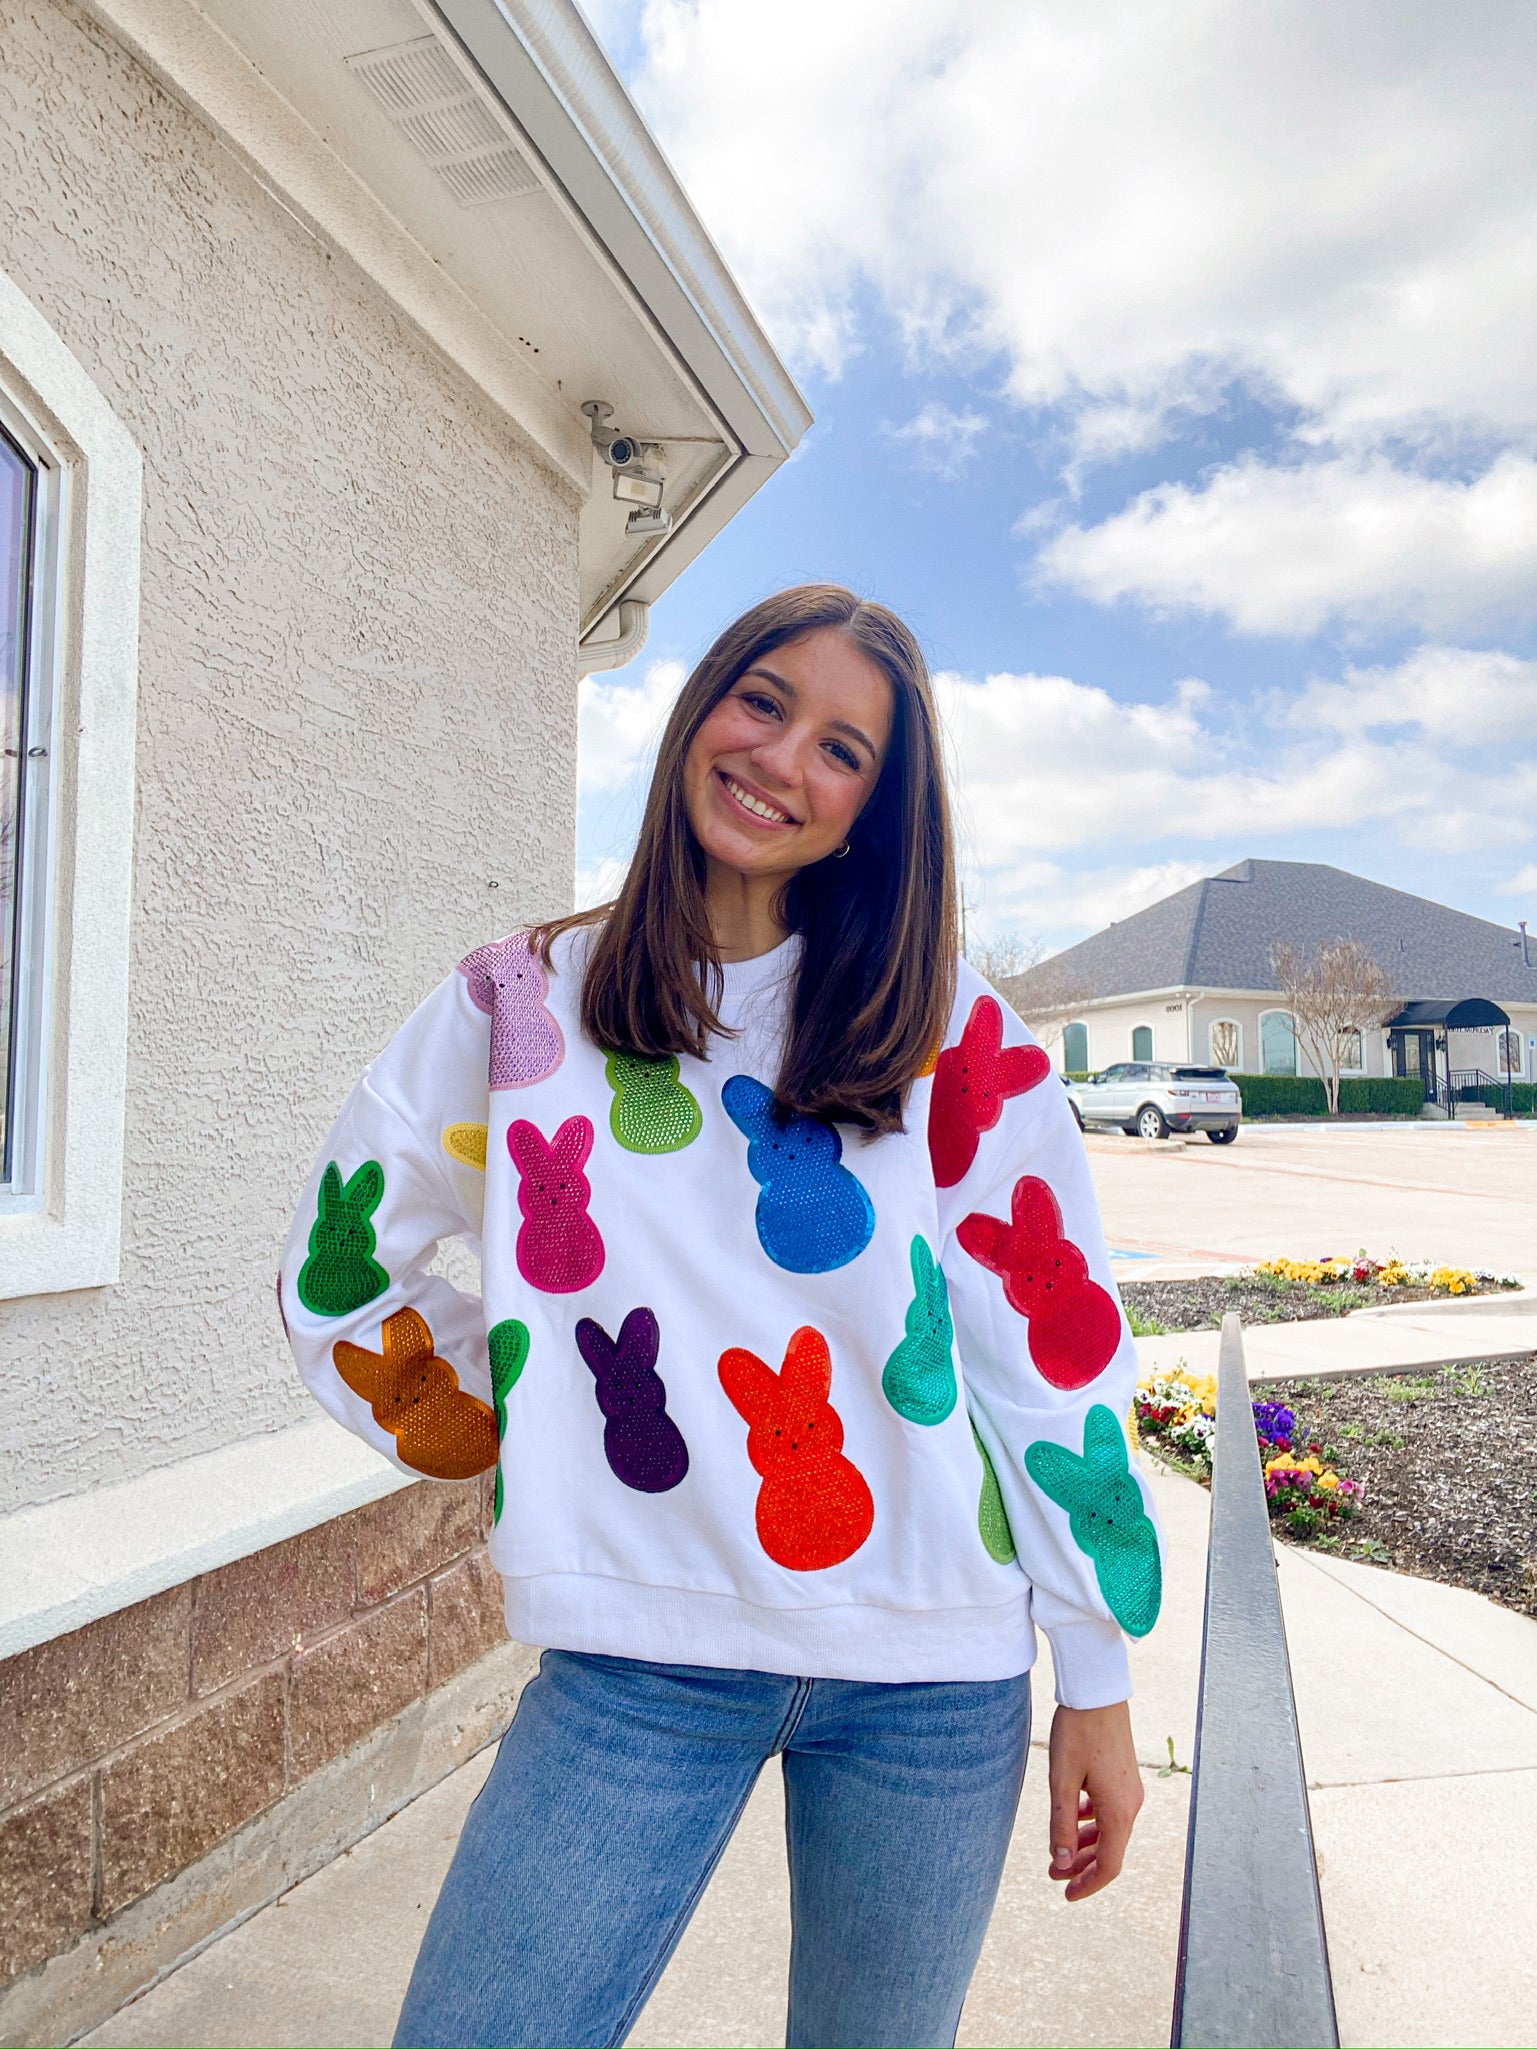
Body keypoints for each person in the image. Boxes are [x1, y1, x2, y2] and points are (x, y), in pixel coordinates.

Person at [280, 585, 1162, 2049]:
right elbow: (342, 1253)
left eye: (843, 748)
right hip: (638, 1661)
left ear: (876, 807)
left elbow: (1046, 1346)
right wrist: (487, 1416)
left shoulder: (948, 1022)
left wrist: (1098, 1672)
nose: (781, 758)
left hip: (933, 1672)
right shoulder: (519, 1001)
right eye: (764, 701)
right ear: (701, 711)